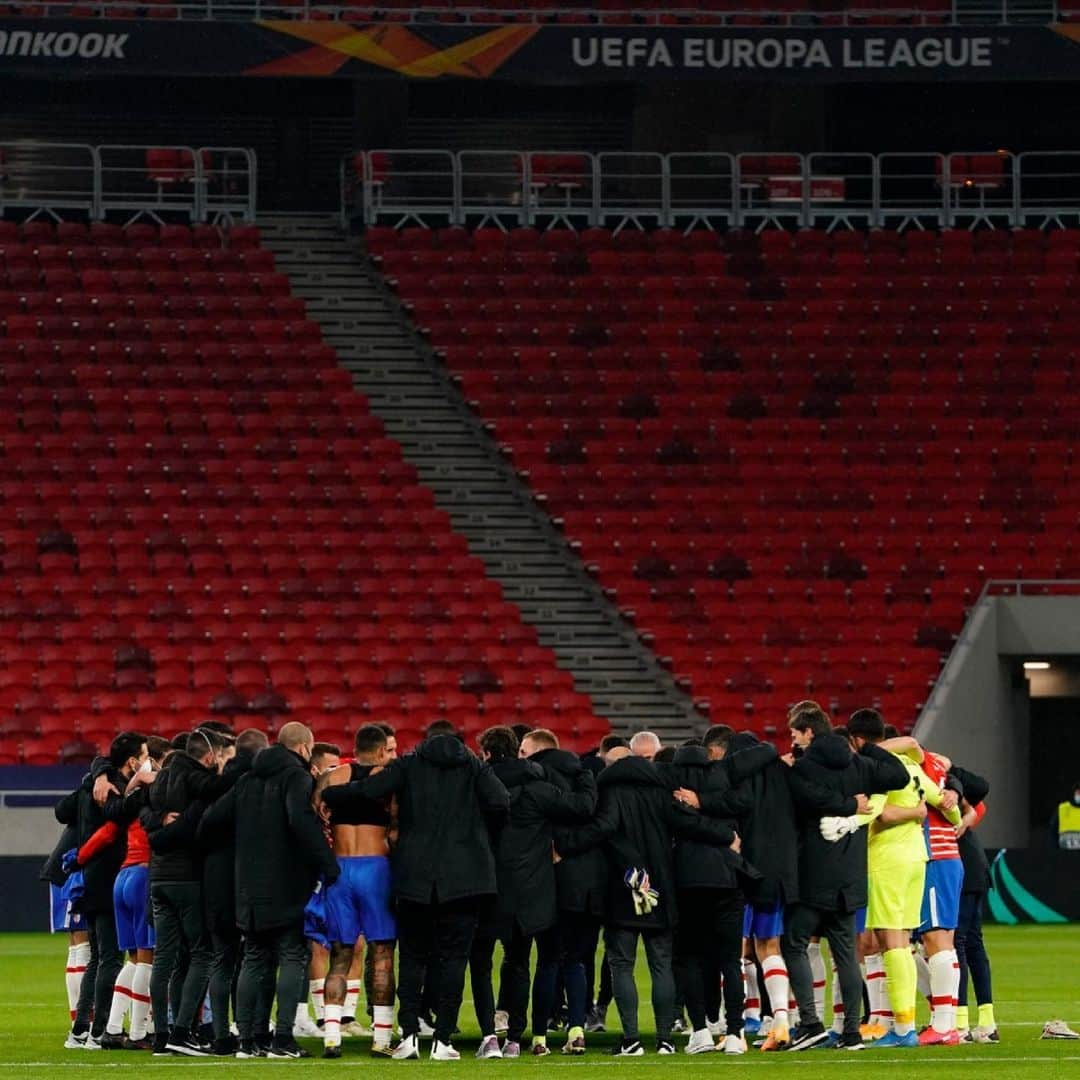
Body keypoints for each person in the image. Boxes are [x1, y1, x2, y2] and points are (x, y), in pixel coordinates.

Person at [320, 720, 509, 1061]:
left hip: (414, 877)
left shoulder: (410, 763)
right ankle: (443, 1040)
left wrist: (332, 794)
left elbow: (369, 789)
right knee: (454, 960)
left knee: (412, 957)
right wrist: (476, 836)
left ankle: (408, 1035)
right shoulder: (473, 766)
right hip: (465, 879)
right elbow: (500, 801)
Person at [559, 743, 736, 1057]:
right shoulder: (660, 793)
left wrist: (565, 846)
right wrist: (726, 836)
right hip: (661, 889)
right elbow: (689, 822)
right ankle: (665, 1039)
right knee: (661, 965)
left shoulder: (612, 794)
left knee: (622, 965)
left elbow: (603, 828)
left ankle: (631, 1040)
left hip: (624, 888)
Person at [203, 722, 340, 1059]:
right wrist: (328, 864)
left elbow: (210, 821)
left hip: (247, 886)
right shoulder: (297, 778)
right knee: (293, 955)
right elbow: (300, 822)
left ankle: (249, 1041)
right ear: (305, 747)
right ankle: (282, 1039)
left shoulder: (247, 780)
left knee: (254, 958)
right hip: (287, 884)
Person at [781, 703, 908, 1052]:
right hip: (851, 874)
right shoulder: (859, 763)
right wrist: (866, 750)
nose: (794, 740)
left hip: (813, 873)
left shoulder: (804, 768)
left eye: (796, 734)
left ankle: (810, 1023)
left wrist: (839, 803)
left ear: (809, 732)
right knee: (846, 955)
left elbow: (801, 798)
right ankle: (852, 1032)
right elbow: (898, 776)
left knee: (793, 941)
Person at [471, 727, 596, 1058]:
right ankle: (514, 1038)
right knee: (519, 961)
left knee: (481, 962)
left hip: (485, 887)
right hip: (530, 889)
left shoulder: (477, 786)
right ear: (516, 751)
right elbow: (583, 807)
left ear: (485, 753)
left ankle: (489, 1037)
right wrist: (583, 773)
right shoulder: (539, 788)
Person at [842, 709, 961, 1050]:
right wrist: (952, 812)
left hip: (886, 861)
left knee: (891, 943)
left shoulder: (872, 768)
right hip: (917, 860)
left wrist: (844, 822)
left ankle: (904, 1028)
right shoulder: (911, 767)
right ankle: (902, 1023)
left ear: (858, 740)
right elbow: (945, 803)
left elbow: (874, 811)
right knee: (904, 943)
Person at [71, 735, 171, 1050]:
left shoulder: (128, 794)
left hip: (122, 878)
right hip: (143, 875)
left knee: (131, 959)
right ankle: (141, 1032)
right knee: (148, 958)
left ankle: (113, 1028)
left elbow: (106, 831)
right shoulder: (156, 790)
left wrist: (76, 860)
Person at [141, 727, 236, 1057]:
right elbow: (217, 788)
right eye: (220, 757)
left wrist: (155, 824)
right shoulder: (194, 778)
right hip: (188, 878)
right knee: (202, 954)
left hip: (158, 879)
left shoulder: (161, 778)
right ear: (209, 757)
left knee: (166, 958)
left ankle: (161, 1036)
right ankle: (182, 1032)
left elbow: (139, 809)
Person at [665, 740, 761, 1055]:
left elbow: (681, 822)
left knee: (689, 959)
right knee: (729, 960)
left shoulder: (673, 786)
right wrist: (725, 835)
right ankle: (735, 1032)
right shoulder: (723, 784)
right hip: (726, 878)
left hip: (687, 881)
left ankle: (702, 1030)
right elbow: (742, 805)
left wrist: (698, 807)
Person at [56, 731, 149, 1050]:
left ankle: (80, 1030)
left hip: (91, 879)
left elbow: (62, 811)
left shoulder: (94, 782)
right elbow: (116, 818)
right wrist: (134, 787)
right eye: (145, 755)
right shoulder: (112, 790)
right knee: (109, 957)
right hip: (108, 878)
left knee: (98, 957)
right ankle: (98, 1031)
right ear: (133, 761)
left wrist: (97, 772)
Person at [315, 725, 398, 1059]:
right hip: (376, 867)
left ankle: (332, 1036)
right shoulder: (390, 779)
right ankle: (381, 1038)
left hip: (340, 868)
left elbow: (318, 814)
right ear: (380, 751)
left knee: (340, 954)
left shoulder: (332, 778)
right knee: (382, 954)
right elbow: (397, 829)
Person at [525, 730, 608, 1056]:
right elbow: (603, 824)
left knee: (547, 961)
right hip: (589, 885)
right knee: (576, 961)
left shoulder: (536, 781)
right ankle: (576, 1030)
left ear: (536, 751)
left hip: (549, 882)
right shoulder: (588, 778)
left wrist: (558, 847)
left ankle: (540, 1037)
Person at [197, 727, 269, 1055]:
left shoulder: (212, 782)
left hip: (213, 880)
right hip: (246, 882)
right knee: (252, 960)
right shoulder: (251, 783)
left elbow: (205, 825)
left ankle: (222, 1034)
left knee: (221, 960)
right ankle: (250, 1032)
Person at [950, 764, 996, 1043]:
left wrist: (949, 766)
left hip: (963, 870)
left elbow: (979, 796)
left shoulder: (940, 780)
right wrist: (968, 816)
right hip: (972, 867)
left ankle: (960, 1023)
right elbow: (979, 806)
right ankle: (987, 1024)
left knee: (957, 943)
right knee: (971, 943)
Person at [1051, 780, 1080, 850]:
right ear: (1074, 793)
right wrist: (1055, 847)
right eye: (1078, 793)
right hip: (1064, 852)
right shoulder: (1062, 808)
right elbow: (1053, 828)